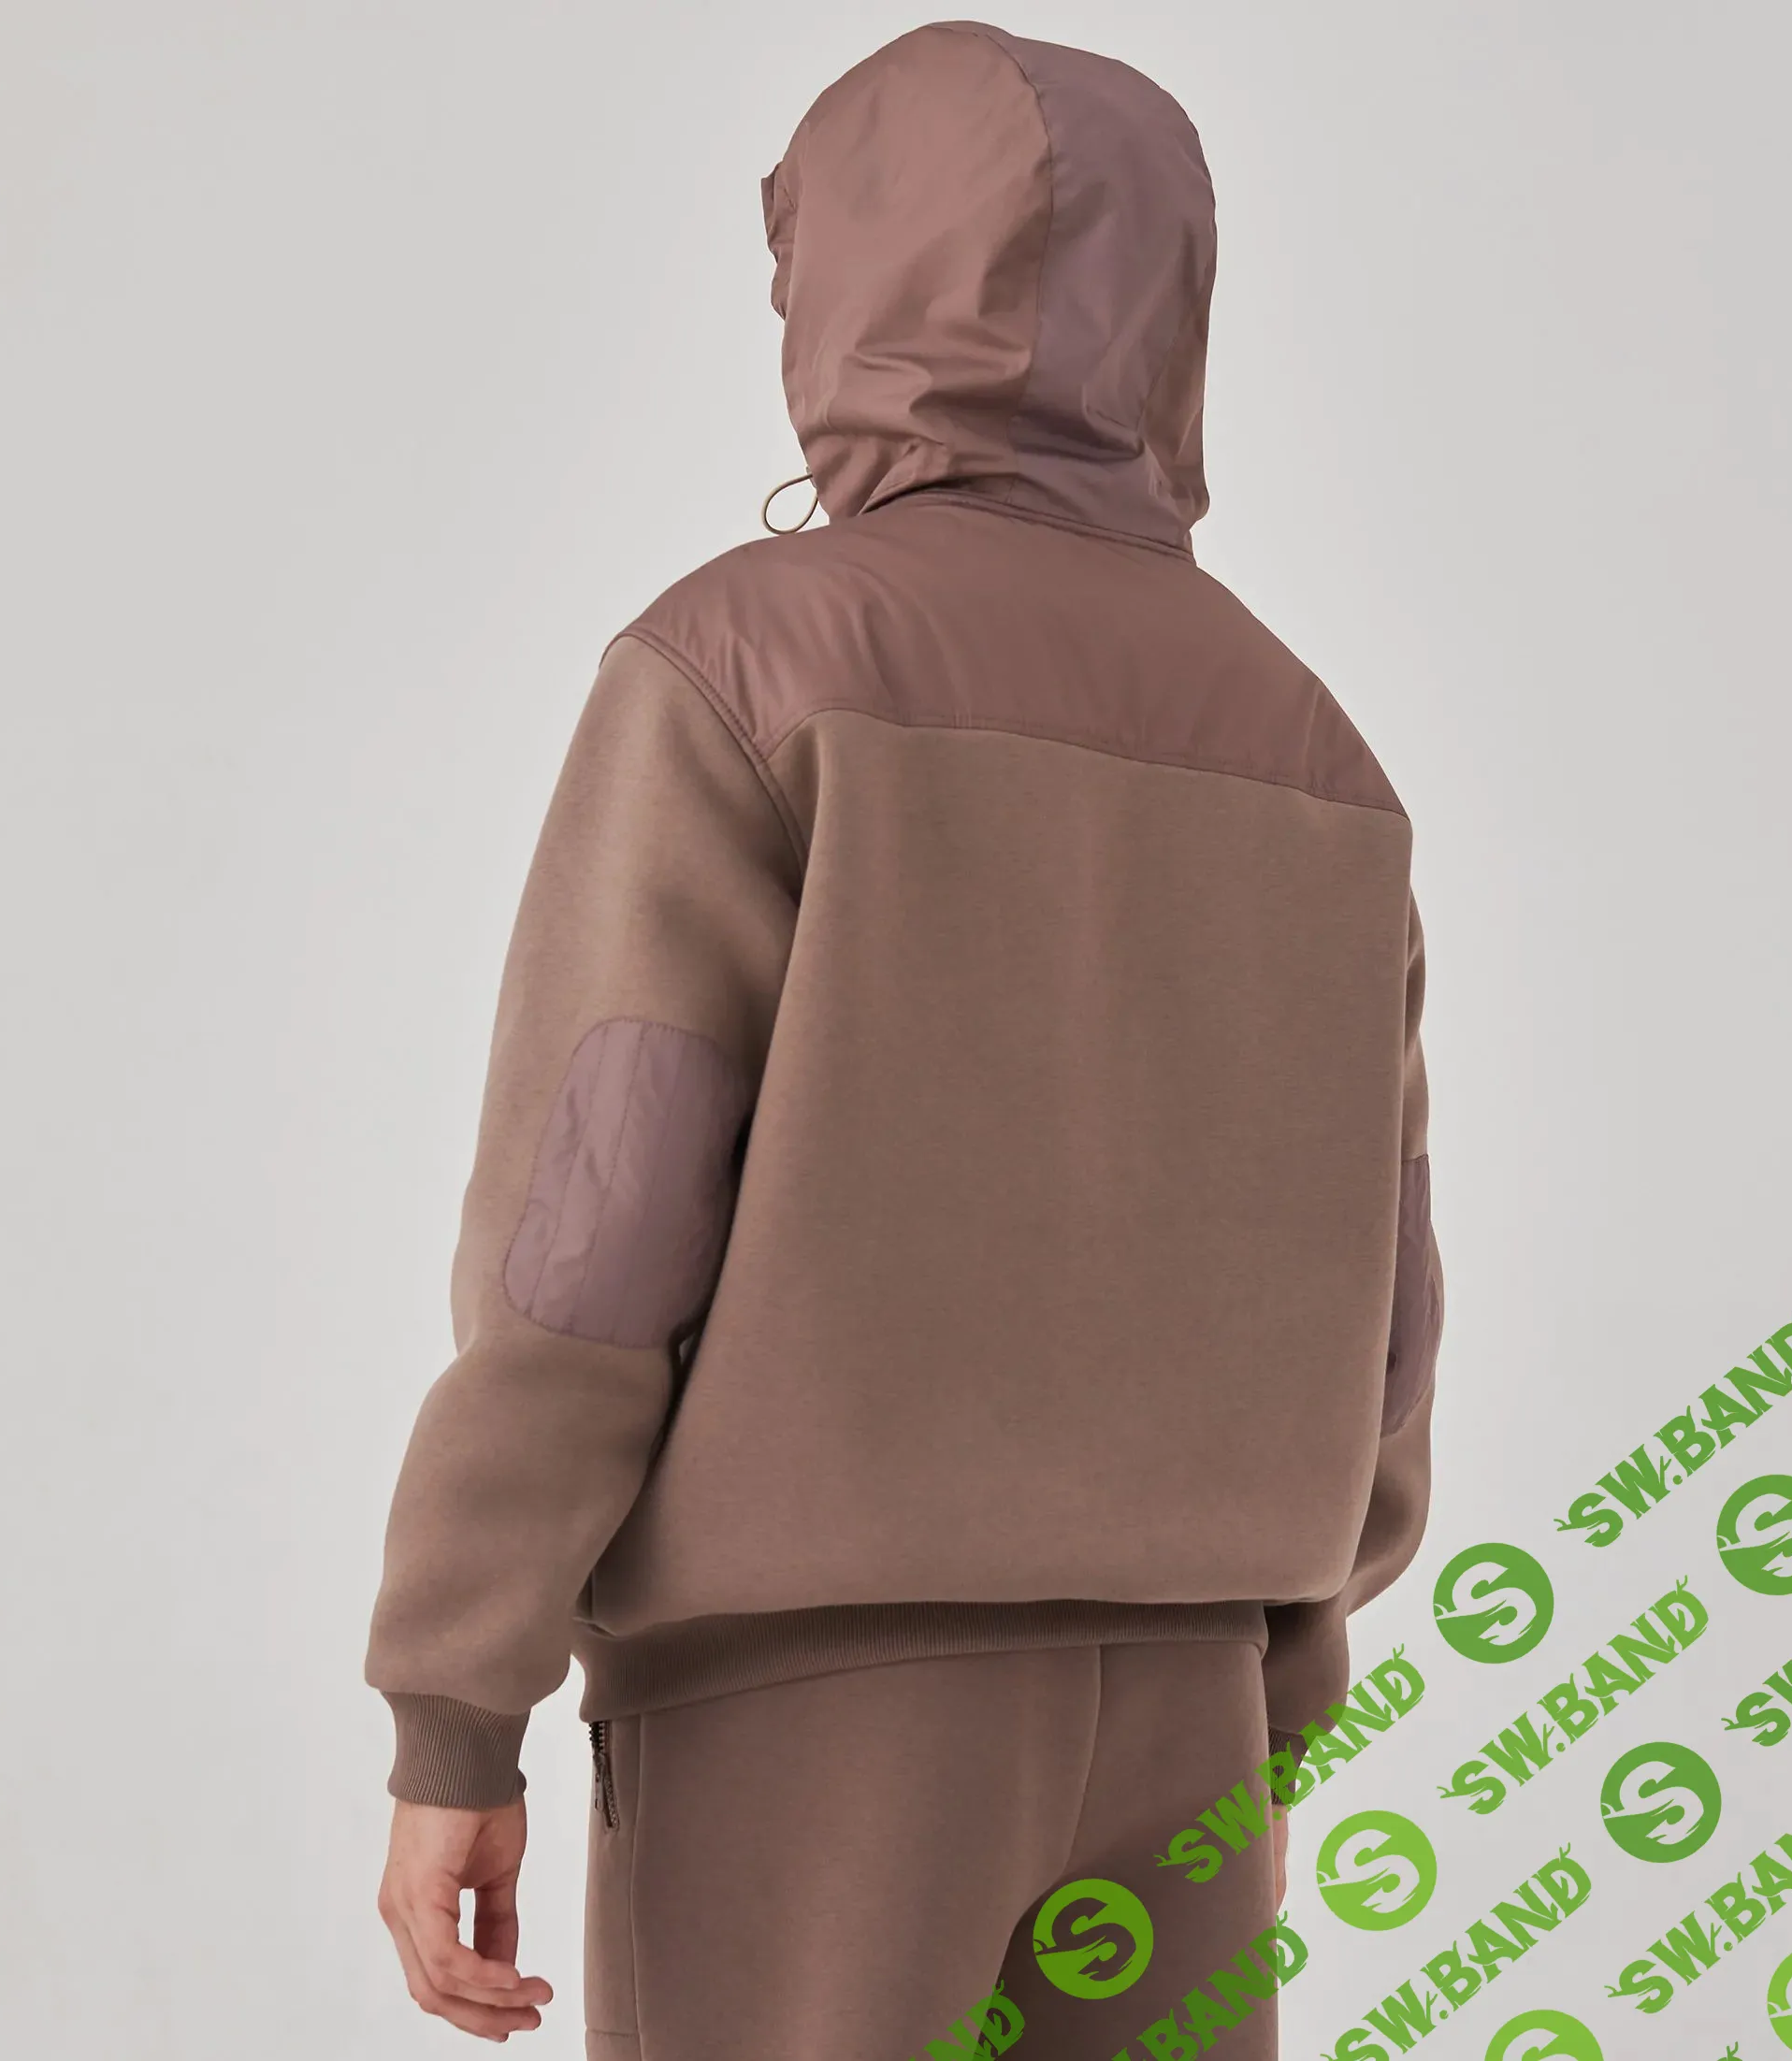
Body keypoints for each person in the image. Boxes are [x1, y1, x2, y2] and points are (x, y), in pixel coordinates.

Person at [366, 21, 1441, 2058]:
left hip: (809, 1717)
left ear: (847, 285)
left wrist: (456, 1701)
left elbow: (592, 1242)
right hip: (1193, 1706)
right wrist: (1278, 1704)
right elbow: (1380, 1299)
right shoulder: (1313, 743)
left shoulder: (745, 663)